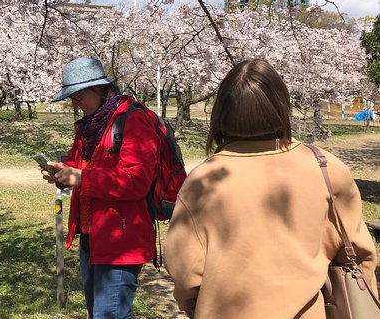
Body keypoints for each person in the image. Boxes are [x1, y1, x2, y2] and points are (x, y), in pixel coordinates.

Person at [164, 58, 378, 319]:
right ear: (281, 106)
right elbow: (360, 255)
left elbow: (184, 271)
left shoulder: (203, 181)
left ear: (221, 112)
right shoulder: (327, 169)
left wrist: (196, 307)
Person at [42, 57, 161, 318]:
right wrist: (61, 172)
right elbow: (80, 164)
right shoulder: (89, 126)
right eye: (71, 97)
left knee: (109, 314)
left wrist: (83, 177)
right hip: (91, 236)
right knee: (101, 312)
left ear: (99, 89)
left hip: (122, 238)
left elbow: (136, 181)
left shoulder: (133, 120)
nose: (75, 103)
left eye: (79, 95)